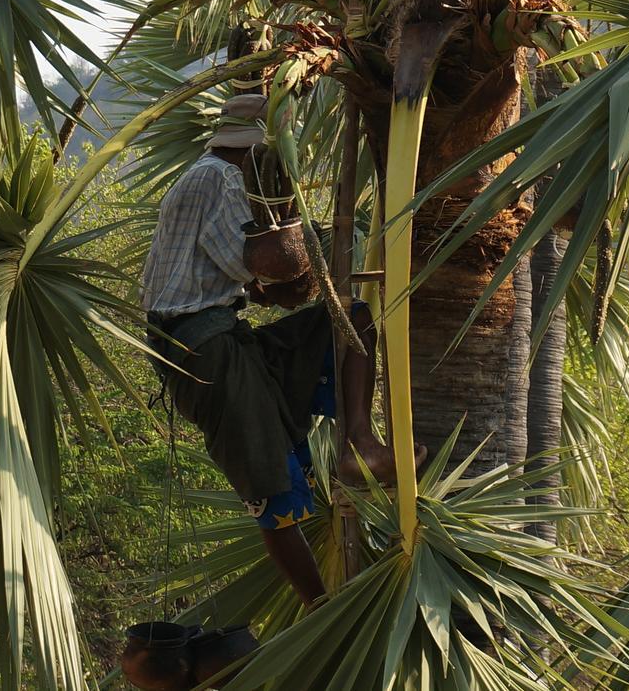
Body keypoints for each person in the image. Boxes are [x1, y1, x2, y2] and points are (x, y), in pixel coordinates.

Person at [141, 93, 423, 608]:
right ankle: (320, 606)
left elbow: (260, 287)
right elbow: (264, 267)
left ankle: (359, 444)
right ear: (257, 151)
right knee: (272, 484)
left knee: (353, 319)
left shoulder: (211, 175)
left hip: (226, 339)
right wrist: (299, 228)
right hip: (204, 353)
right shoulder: (220, 179)